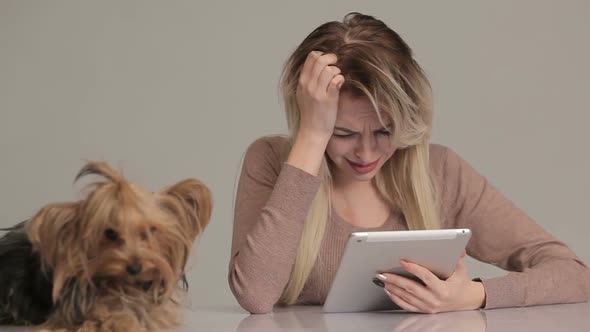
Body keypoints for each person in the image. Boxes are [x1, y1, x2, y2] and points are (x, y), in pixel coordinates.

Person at [228, 12, 590, 314]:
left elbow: (574, 274)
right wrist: (310, 139)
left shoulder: (440, 171)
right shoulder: (274, 161)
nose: (366, 154)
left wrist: (473, 297)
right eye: (343, 134)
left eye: (385, 131)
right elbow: (256, 296)